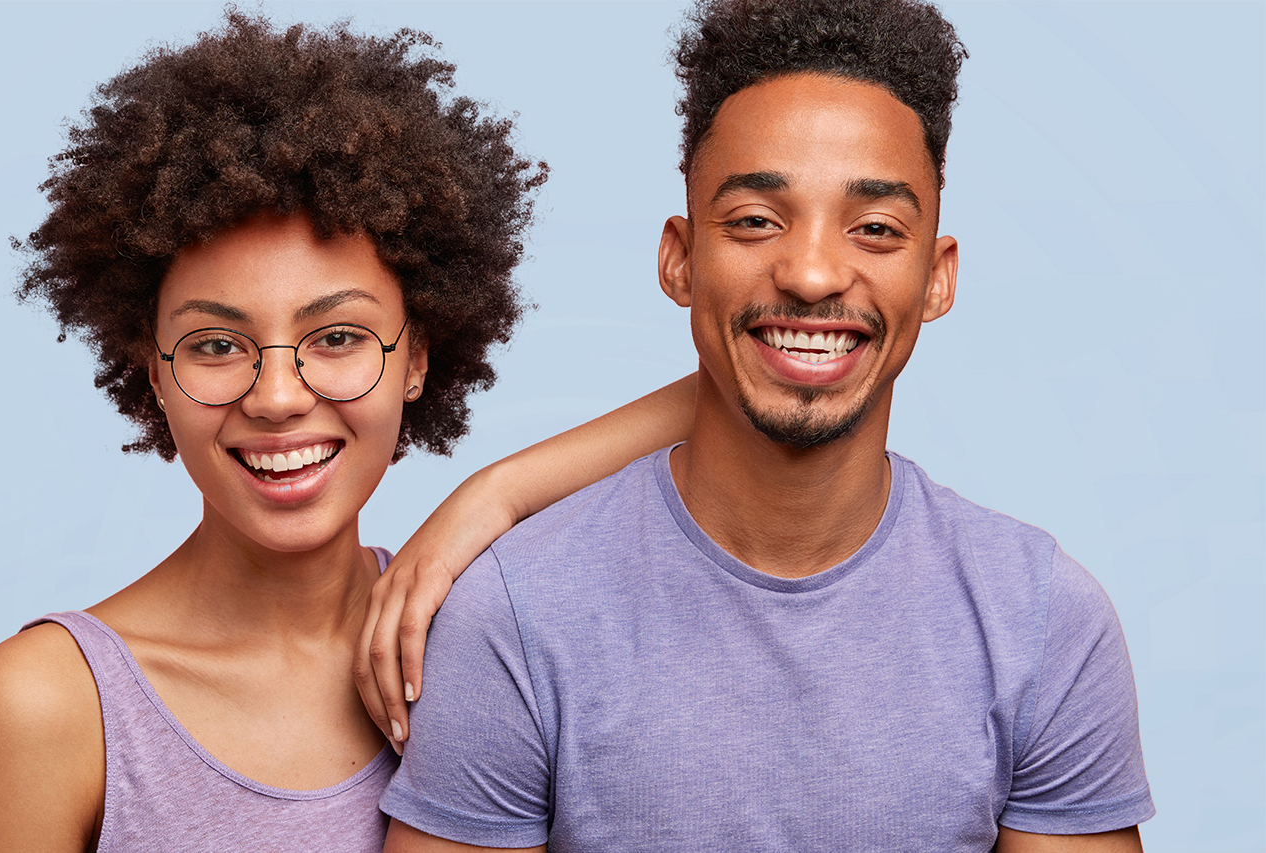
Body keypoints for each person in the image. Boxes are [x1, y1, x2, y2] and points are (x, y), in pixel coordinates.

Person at [377, 0, 1155, 850]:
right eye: (754, 219)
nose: (813, 272)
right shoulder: (513, 618)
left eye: (875, 229)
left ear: (937, 278)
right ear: (679, 258)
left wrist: (500, 489)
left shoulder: (1042, 620)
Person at [0, 12, 695, 852]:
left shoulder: (484, 644)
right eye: (216, 345)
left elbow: (758, 394)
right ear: (152, 370)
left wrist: (495, 493)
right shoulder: (50, 702)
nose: (275, 396)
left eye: (335, 337)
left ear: (417, 355)